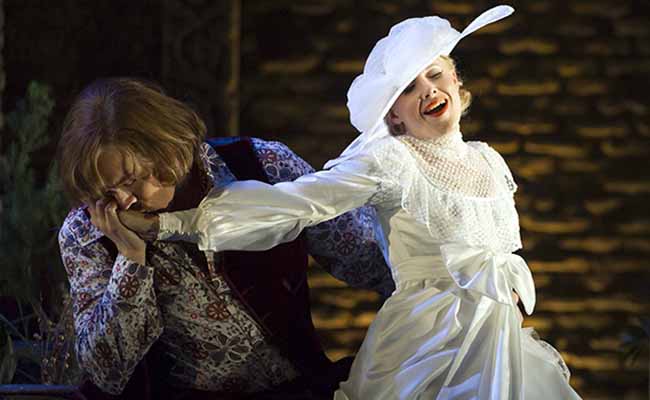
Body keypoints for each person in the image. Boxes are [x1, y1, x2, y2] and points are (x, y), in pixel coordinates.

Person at [132, 5, 583, 399]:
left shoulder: (489, 160)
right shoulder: (390, 161)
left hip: (500, 341)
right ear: (393, 114)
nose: (427, 90)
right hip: (427, 345)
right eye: (408, 88)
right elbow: (301, 203)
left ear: (456, 80)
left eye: (435, 73)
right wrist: (173, 225)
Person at [56, 78, 394, 399]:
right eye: (106, 190)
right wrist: (130, 257)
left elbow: (363, 253)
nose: (122, 201)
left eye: (129, 180)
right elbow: (107, 371)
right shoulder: (87, 233)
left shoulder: (264, 165)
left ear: (163, 150)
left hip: (304, 388)